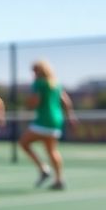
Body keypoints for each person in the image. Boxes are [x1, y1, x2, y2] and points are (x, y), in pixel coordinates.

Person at [20, 60, 76, 190]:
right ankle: (59, 179)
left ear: (40, 71)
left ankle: (43, 169)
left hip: (43, 120)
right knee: (52, 150)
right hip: (57, 120)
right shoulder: (56, 84)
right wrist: (70, 117)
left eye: (34, 70)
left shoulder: (39, 84)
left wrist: (27, 104)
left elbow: (35, 101)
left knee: (24, 143)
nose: (33, 73)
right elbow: (66, 102)